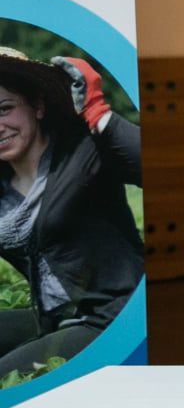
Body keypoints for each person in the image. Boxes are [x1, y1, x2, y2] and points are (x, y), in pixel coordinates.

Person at [0, 48, 143, 378]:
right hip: (52, 318)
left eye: (5, 109)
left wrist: (99, 115)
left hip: (112, 317)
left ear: (37, 107)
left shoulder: (84, 151)